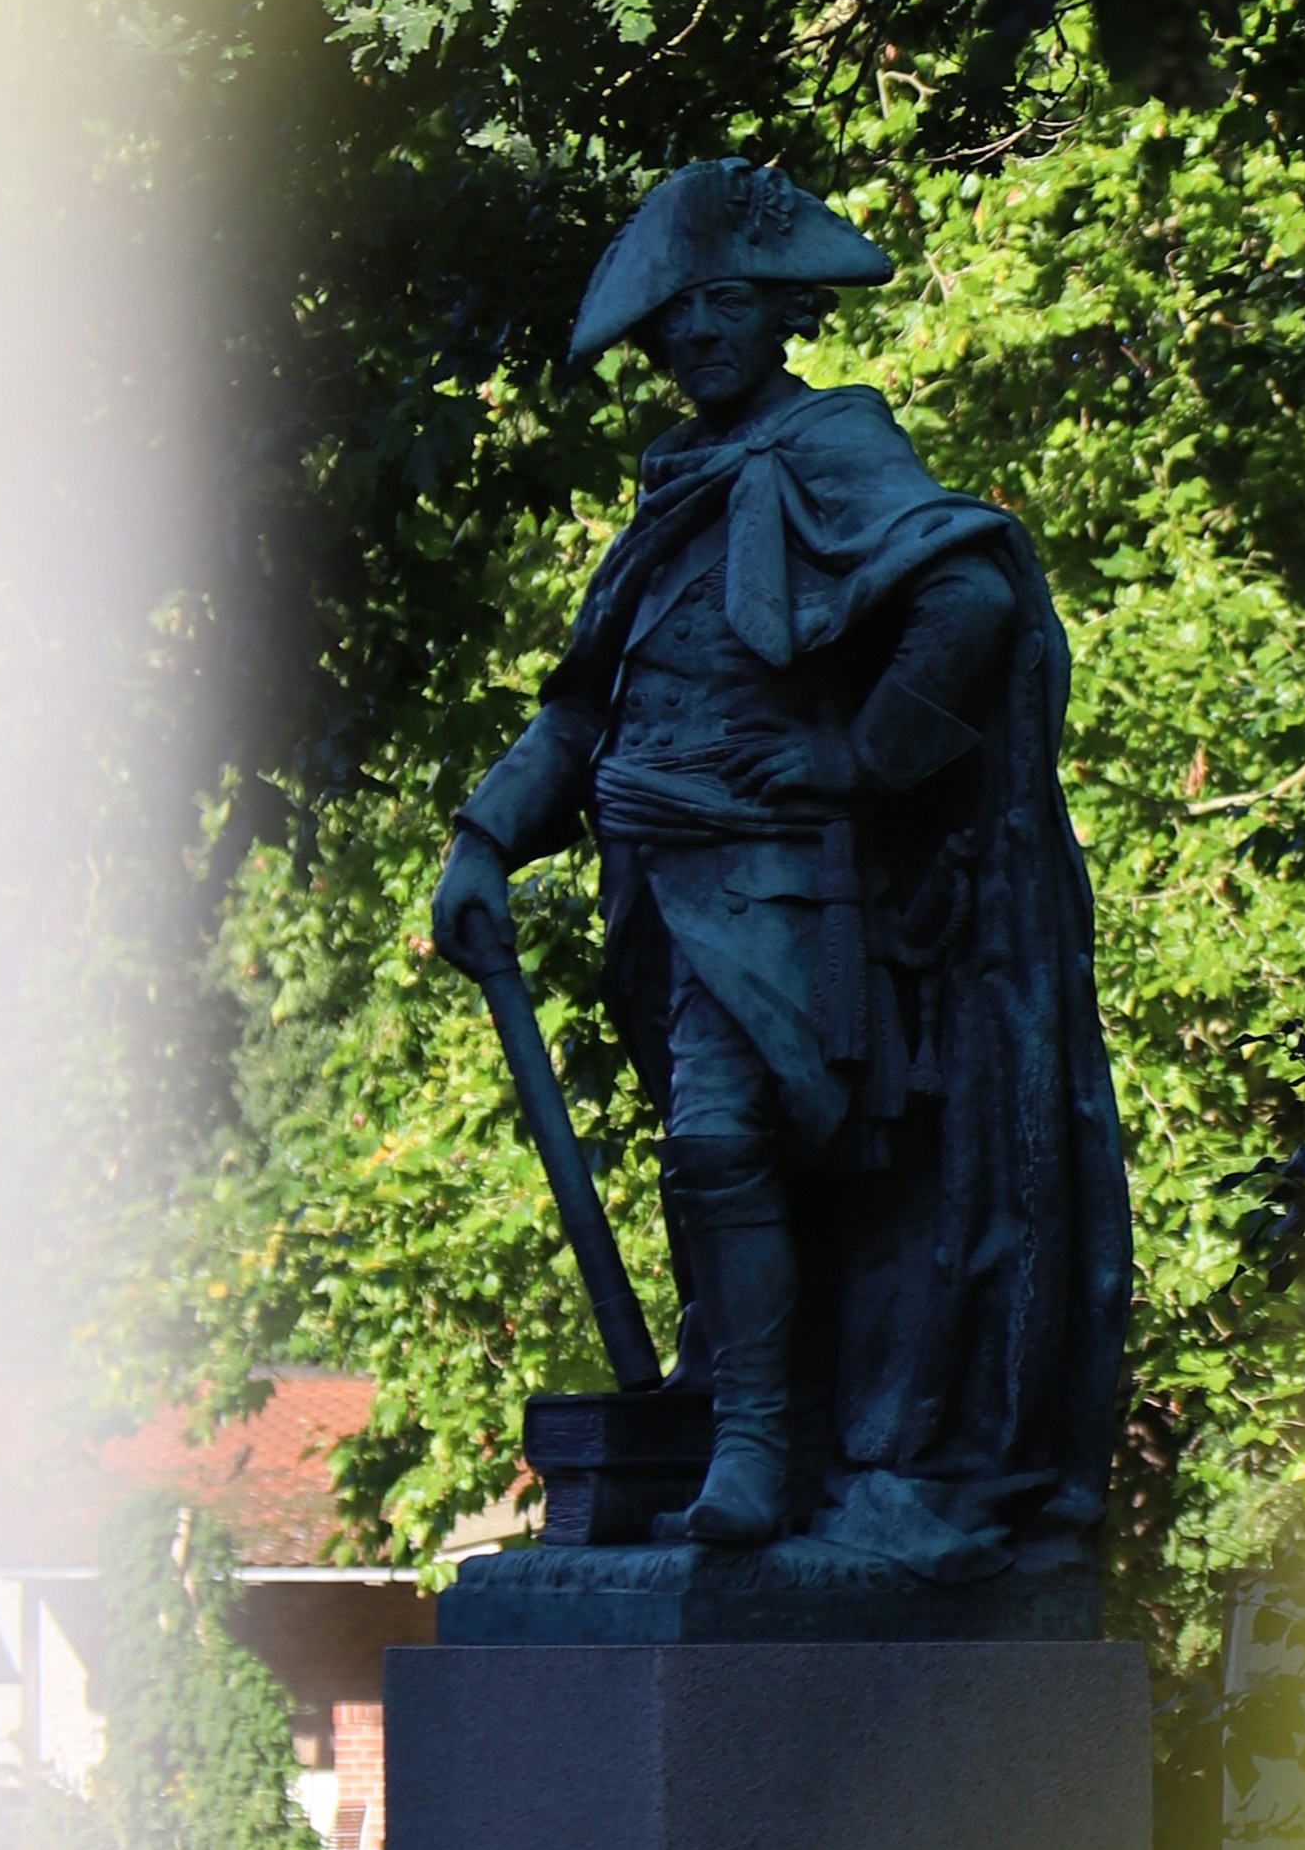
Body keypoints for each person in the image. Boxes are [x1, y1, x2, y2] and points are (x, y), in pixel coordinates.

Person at [430, 161, 1130, 1561]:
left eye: (726, 306)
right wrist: (485, 836)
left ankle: (756, 1446)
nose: (695, 336)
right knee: (728, 1167)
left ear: (782, 313)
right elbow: (581, 709)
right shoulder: (672, 492)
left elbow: (970, 595)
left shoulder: (833, 443)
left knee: (728, 1138)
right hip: (659, 890)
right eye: (672, 319)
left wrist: (861, 761)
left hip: (791, 888)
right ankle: (764, 1424)